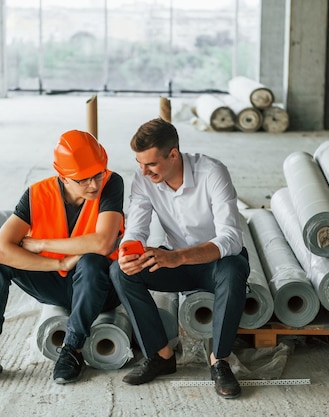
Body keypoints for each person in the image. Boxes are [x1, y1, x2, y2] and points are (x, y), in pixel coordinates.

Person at [0, 130, 124, 387]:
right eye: (83, 180)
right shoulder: (36, 195)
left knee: (92, 260)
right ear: (63, 177)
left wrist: (42, 244)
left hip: (100, 288)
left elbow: (103, 242)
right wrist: (59, 263)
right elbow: (1, 250)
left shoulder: (111, 183)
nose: (94, 185)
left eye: (97, 175)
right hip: (56, 281)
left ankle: (72, 350)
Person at [110, 118, 249, 399]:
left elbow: (231, 238)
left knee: (235, 269)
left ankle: (219, 361)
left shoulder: (212, 172)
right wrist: (128, 252)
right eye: (139, 163)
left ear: (173, 154)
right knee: (119, 272)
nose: (144, 171)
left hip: (216, 263)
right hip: (174, 259)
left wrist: (177, 257)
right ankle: (161, 356)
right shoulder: (144, 179)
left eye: (150, 164)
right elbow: (136, 228)